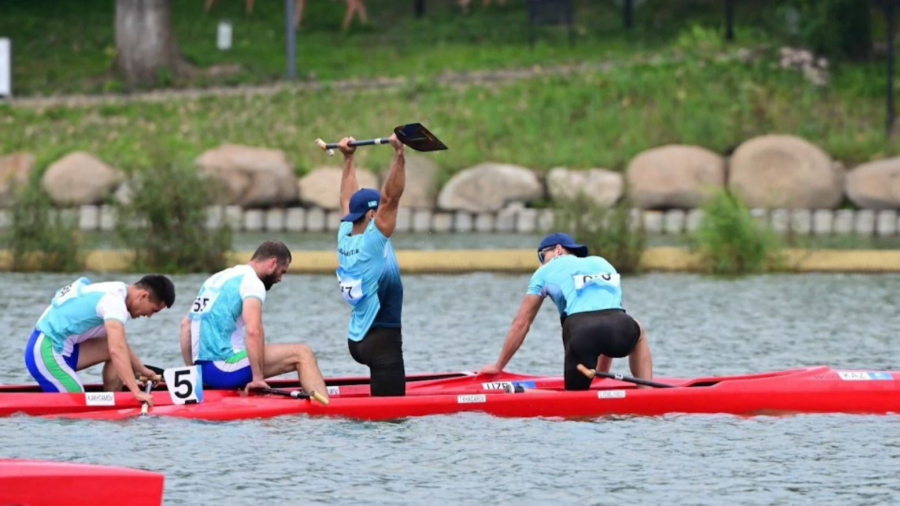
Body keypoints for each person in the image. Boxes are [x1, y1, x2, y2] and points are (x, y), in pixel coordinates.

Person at [480, 233, 654, 390]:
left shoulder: (544, 271)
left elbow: (521, 323)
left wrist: (498, 366)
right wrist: (601, 377)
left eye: (541, 256)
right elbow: (609, 313)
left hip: (580, 332)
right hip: (620, 327)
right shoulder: (603, 263)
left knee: (576, 406)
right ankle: (647, 391)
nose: (540, 263)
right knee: (637, 329)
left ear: (558, 250)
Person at [180, 240, 329, 401]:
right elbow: (253, 331)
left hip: (204, 371)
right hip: (223, 369)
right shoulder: (252, 283)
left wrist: (194, 374)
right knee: (302, 353)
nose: (280, 278)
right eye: (282, 271)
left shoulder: (215, 279)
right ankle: (325, 409)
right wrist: (257, 378)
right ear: (272, 263)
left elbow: (186, 326)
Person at [25, 275, 176, 406]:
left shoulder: (118, 289)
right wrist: (136, 392)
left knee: (114, 348)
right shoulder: (114, 302)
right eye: (153, 310)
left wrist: (142, 370)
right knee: (77, 405)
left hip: (65, 349)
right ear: (143, 296)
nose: (149, 316)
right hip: (45, 352)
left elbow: (120, 345)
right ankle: (110, 406)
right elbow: (117, 350)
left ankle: (113, 404)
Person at [335, 133, 406, 396]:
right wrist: (399, 156)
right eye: (380, 212)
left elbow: (347, 198)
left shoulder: (344, 233)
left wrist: (348, 159)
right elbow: (392, 199)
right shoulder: (372, 243)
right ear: (372, 214)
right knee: (393, 417)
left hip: (357, 339)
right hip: (382, 342)